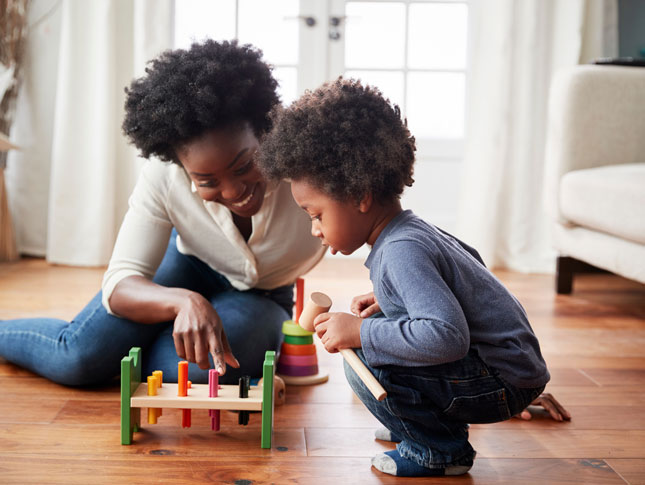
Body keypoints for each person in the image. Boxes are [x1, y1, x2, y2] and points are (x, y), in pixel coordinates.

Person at [257, 78, 569, 477]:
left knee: (364, 361)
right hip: (511, 370)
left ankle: (439, 449)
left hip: (500, 381)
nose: (314, 229)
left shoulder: (401, 250)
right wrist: (390, 301)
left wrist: (358, 334)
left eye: (316, 215)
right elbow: (464, 278)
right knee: (381, 326)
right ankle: (419, 423)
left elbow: (447, 336)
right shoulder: (411, 231)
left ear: (360, 196)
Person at [0, 40, 325, 386]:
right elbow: (121, 282)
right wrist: (181, 302)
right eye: (207, 180)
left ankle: (138, 343)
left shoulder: (310, 165)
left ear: (265, 132)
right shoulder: (164, 174)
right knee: (79, 358)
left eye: (244, 166)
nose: (232, 192)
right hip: (188, 264)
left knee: (188, 373)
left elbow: (374, 222)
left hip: (262, 293)